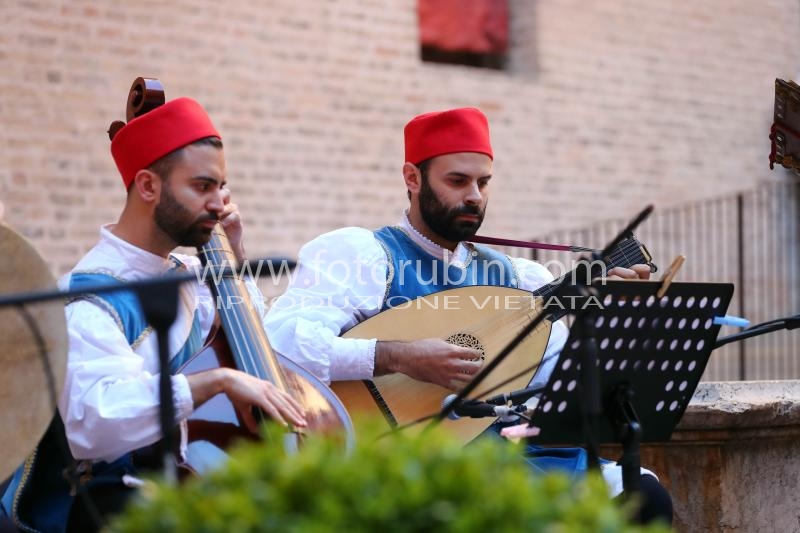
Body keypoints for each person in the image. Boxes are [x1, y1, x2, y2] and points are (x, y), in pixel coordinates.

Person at [264, 107, 672, 524]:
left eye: (483, 182)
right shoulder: (363, 257)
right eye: (457, 181)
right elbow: (281, 343)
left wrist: (613, 316)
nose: (474, 195)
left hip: (515, 450)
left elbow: (558, 384)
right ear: (412, 178)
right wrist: (397, 356)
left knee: (643, 494)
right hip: (416, 455)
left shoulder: (517, 277)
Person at [0, 97, 307, 533]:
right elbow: (95, 421)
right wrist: (216, 381)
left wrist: (233, 258)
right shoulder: (87, 298)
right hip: (107, 505)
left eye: (222, 187)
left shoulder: (190, 274)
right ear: (148, 187)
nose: (219, 203)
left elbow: (254, 341)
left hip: (185, 483)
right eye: (202, 187)